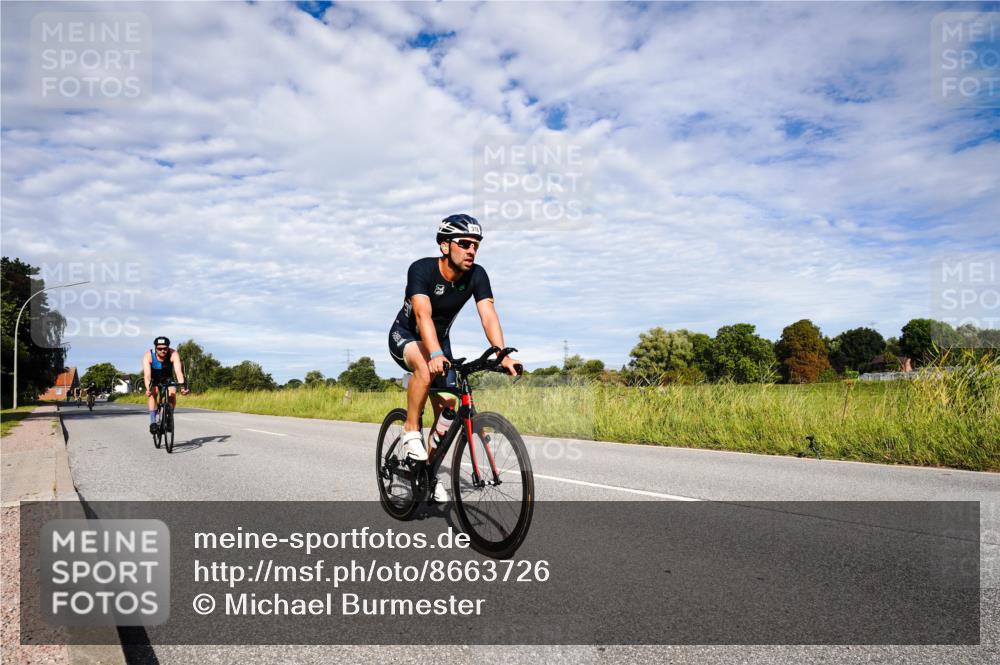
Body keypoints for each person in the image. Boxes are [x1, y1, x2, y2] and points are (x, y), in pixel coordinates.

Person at [387, 214, 520, 503]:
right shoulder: (421, 269)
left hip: (440, 342)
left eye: (476, 245)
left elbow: (488, 315)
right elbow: (422, 315)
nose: (472, 250)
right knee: (424, 366)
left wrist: (502, 354)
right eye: (464, 243)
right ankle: (411, 429)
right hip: (408, 336)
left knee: (448, 413)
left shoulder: (477, 275)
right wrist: (434, 354)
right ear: (445, 246)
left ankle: (426, 473)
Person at [142, 336, 189, 434]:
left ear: (168, 348)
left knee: (172, 394)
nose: (163, 351)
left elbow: (178, 372)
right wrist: (148, 388)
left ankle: (168, 417)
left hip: (168, 378)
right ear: (155, 348)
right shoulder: (148, 355)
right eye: (160, 349)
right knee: (153, 393)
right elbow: (147, 375)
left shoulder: (173, 354)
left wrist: (183, 387)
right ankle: (153, 422)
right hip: (154, 378)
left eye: (165, 348)